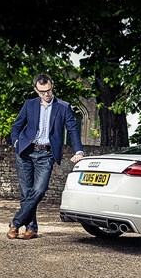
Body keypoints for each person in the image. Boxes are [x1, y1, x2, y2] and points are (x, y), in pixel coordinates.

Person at [7, 73, 84, 239]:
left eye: (48, 90)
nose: (46, 94)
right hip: (26, 152)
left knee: (39, 190)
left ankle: (15, 222)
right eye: (42, 92)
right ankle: (32, 228)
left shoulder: (63, 106)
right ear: (36, 90)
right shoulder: (29, 104)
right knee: (27, 193)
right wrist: (16, 143)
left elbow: (72, 130)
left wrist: (78, 151)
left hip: (46, 154)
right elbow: (17, 126)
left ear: (52, 86)